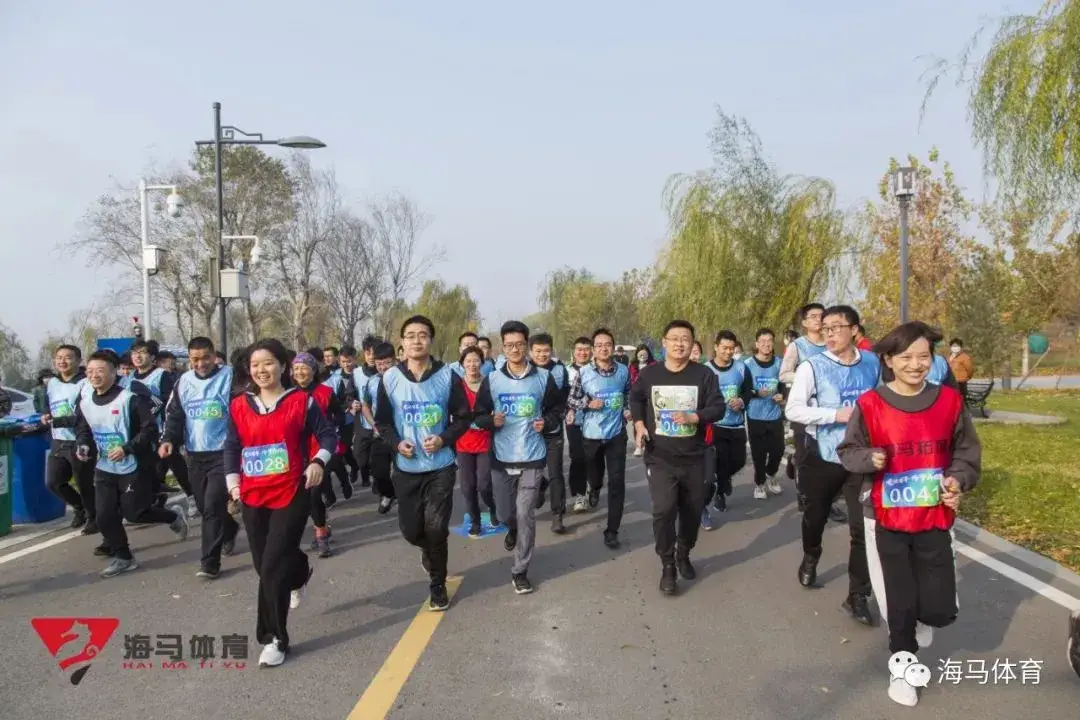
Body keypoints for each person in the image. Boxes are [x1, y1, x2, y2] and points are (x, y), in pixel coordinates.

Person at [837, 321, 981, 707]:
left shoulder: (949, 401)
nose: (916, 365)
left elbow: (967, 452)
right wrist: (869, 458)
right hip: (885, 518)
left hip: (934, 514)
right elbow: (848, 451)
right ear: (888, 360)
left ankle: (922, 618)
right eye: (906, 357)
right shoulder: (870, 404)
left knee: (937, 608)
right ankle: (902, 671)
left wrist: (957, 480)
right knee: (898, 601)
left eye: (923, 357)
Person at [224, 338, 337, 668]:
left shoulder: (301, 401)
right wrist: (233, 484)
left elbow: (328, 435)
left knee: (272, 565)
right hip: (252, 494)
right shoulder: (239, 405)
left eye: (268, 363)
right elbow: (231, 446)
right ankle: (299, 572)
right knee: (264, 564)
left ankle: (275, 638)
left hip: (291, 492)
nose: (261, 370)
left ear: (282, 366)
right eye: (255, 365)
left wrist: (317, 461)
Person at [785, 305, 880, 626]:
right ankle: (811, 556)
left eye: (836, 327)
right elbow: (793, 410)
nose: (829, 333)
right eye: (825, 328)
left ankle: (858, 594)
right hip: (823, 457)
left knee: (862, 528)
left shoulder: (872, 363)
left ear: (854, 329)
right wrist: (834, 414)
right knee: (815, 517)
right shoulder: (812, 367)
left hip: (860, 459)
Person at [374, 315, 472, 611]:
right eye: (411, 335)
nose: (417, 341)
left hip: (440, 465)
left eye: (423, 335)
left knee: (437, 527)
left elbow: (463, 418)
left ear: (431, 340)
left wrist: (443, 439)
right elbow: (383, 422)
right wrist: (396, 443)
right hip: (406, 468)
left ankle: (437, 584)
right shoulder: (390, 378)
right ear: (402, 342)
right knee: (411, 531)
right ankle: (428, 553)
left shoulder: (447, 376)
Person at [630, 320, 724, 596]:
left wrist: (696, 416)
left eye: (685, 339)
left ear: (692, 343)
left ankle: (684, 552)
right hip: (660, 456)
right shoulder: (649, 374)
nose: (680, 344)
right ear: (664, 342)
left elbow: (718, 407)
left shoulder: (704, 375)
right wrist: (639, 424)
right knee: (664, 509)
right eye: (675, 338)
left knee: (692, 511)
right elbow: (636, 398)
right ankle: (668, 564)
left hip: (695, 457)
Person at [74, 350, 189, 576]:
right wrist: (83, 445)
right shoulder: (85, 401)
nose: (94, 376)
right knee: (104, 516)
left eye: (100, 371)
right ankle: (124, 557)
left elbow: (150, 429)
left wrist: (127, 448)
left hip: (134, 466)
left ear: (113, 373)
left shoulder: (130, 399)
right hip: (105, 466)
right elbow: (83, 429)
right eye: (90, 371)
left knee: (135, 514)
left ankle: (172, 516)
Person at [474, 321, 562, 594]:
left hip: (532, 455)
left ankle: (520, 570)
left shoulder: (543, 378)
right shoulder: (492, 380)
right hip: (502, 457)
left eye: (520, 344)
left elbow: (557, 408)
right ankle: (511, 528)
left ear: (527, 346)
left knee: (525, 514)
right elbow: (478, 415)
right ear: (502, 347)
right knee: (504, 514)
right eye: (509, 345)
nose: (515, 349)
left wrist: (546, 423)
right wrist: (491, 421)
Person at [159, 336, 240, 579]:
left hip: (224, 453)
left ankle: (209, 563)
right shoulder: (183, 381)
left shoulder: (229, 377)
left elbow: (242, 410)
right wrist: (168, 439)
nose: (201, 363)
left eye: (205, 358)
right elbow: (174, 415)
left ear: (214, 356)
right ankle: (229, 529)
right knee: (206, 508)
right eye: (195, 359)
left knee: (214, 504)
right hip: (195, 454)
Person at [566, 328, 632, 549]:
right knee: (594, 476)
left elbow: (628, 394)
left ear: (613, 347)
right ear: (594, 349)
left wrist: (627, 409)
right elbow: (571, 400)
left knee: (617, 483)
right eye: (600, 345)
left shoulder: (623, 371)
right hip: (592, 435)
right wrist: (588, 403)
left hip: (616, 434)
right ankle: (594, 488)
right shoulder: (584, 373)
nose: (604, 348)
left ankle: (612, 530)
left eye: (608, 344)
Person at [781, 303, 846, 523]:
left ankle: (830, 502)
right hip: (805, 411)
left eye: (821, 315)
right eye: (814, 316)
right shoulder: (797, 346)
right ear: (805, 322)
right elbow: (784, 374)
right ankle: (805, 494)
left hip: (832, 411)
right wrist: (808, 377)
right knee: (806, 456)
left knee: (832, 456)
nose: (818, 319)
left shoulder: (833, 344)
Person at [123, 340, 197, 518]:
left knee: (173, 463)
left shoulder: (161, 375)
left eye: (142, 352)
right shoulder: (129, 378)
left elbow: (169, 402)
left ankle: (192, 496)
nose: (138, 356)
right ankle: (153, 500)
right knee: (148, 469)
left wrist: (151, 410)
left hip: (161, 429)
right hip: (140, 432)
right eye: (134, 353)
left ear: (152, 357)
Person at [39, 345, 98, 535]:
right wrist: (46, 415)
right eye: (59, 357)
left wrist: (58, 421)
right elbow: (49, 405)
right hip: (58, 440)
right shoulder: (52, 383)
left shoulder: (85, 383)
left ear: (78, 361)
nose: (62, 361)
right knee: (53, 482)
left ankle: (93, 518)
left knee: (84, 482)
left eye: (68, 357)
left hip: (80, 440)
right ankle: (79, 507)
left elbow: (84, 416)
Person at [292, 352, 342, 558]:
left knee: (313, 493)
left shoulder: (326, 392)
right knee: (302, 497)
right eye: (296, 369)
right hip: (296, 452)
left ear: (313, 370)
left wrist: (329, 429)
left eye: (304, 368)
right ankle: (320, 525)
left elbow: (339, 414)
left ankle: (321, 533)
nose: (300, 372)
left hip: (321, 451)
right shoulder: (288, 394)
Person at [705, 331, 754, 515]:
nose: (728, 352)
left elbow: (748, 390)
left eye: (731, 348)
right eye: (724, 348)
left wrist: (741, 401)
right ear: (716, 347)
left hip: (737, 424)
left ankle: (724, 480)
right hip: (716, 425)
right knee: (722, 460)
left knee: (739, 461)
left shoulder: (741, 368)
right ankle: (720, 494)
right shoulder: (706, 370)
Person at [528, 332, 571, 533]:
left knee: (555, 472)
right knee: (530, 471)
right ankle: (539, 487)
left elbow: (563, 399)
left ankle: (557, 514)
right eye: (538, 351)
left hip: (553, 429)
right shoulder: (524, 371)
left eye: (546, 351)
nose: (542, 355)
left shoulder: (560, 370)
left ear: (551, 351)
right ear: (530, 352)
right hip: (528, 432)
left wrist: (552, 418)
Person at [454, 346, 496, 536]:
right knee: (467, 487)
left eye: (476, 360)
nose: (472, 364)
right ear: (462, 363)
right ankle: (475, 521)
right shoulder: (456, 386)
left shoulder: (489, 384)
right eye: (468, 361)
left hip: (484, 441)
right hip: (463, 443)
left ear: (482, 362)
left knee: (484, 485)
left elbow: (497, 408)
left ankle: (493, 507)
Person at [745, 328, 786, 499]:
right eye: (762, 341)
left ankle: (771, 473)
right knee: (759, 454)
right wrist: (755, 393)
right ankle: (760, 484)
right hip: (755, 415)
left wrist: (782, 395)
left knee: (778, 450)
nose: (766, 344)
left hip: (774, 414)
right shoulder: (748, 364)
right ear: (757, 344)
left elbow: (783, 384)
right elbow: (743, 389)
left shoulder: (779, 363)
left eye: (769, 341)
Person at [360, 342, 399, 514]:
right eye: (379, 364)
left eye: (387, 363)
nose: (383, 367)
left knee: (402, 471)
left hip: (401, 433)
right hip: (381, 433)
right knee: (378, 471)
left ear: (395, 360)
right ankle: (389, 494)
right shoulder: (372, 381)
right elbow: (365, 405)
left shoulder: (404, 379)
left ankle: (406, 500)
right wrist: (374, 424)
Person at [565, 336, 593, 513]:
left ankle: (593, 486)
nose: (583, 353)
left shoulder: (596, 370)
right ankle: (579, 494)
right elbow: (561, 395)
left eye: (586, 349)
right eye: (579, 349)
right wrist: (566, 411)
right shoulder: (565, 372)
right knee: (577, 457)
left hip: (595, 420)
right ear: (574, 352)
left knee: (593, 457)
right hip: (573, 420)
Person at [352, 335, 381, 491]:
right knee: (360, 457)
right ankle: (364, 473)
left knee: (378, 457)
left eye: (374, 353)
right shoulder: (356, 373)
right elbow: (349, 394)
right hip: (363, 424)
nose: (371, 357)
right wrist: (351, 403)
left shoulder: (387, 373)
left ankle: (377, 481)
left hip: (381, 423)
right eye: (368, 353)